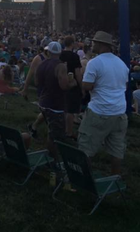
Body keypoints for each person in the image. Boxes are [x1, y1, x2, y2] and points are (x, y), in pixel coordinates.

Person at [78, 31, 129, 176]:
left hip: (99, 112)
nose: (91, 44)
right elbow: (123, 86)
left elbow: (87, 86)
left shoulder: (95, 62)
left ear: (100, 45)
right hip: (119, 113)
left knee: (85, 148)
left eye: (94, 42)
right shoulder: (121, 64)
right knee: (116, 150)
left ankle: (83, 179)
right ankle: (114, 180)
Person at [35, 41, 77, 162]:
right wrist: (73, 83)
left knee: (51, 130)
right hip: (55, 105)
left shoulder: (42, 64)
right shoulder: (60, 66)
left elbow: (37, 83)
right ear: (60, 52)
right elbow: (64, 86)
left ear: (48, 51)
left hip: (43, 102)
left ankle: (51, 157)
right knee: (55, 136)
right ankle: (53, 161)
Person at [60, 36, 83, 138]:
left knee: (62, 107)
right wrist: (82, 87)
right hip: (72, 85)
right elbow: (78, 73)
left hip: (60, 83)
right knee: (70, 110)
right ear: (72, 44)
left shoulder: (59, 55)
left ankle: (61, 128)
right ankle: (69, 132)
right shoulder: (74, 56)